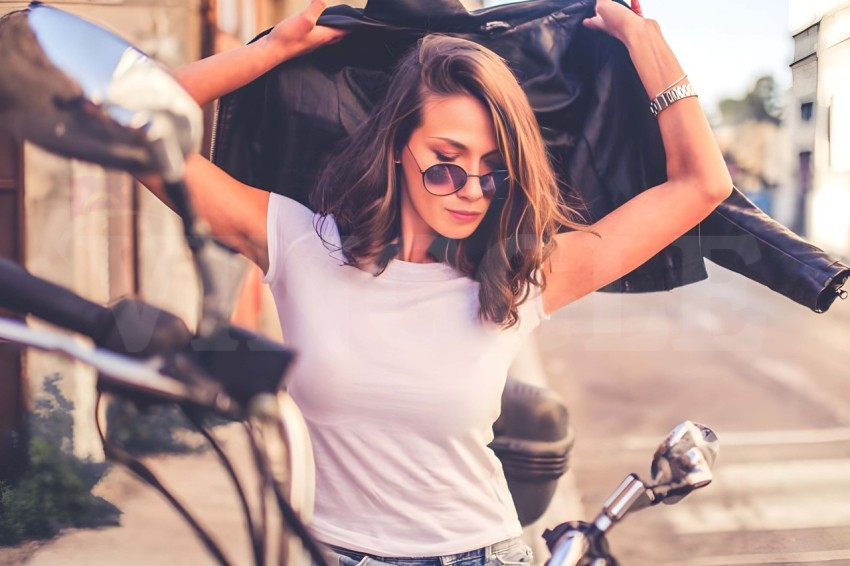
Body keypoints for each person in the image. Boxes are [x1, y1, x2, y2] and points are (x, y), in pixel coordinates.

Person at [142, 0, 733, 562]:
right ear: (397, 147)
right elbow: (131, 118)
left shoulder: (522, 273)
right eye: (446, 161)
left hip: (481, 555)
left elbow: (701, 185)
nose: (472, 190)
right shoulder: (297, 241)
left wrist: (645, 42)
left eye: (493, 169)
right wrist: (274, 48)